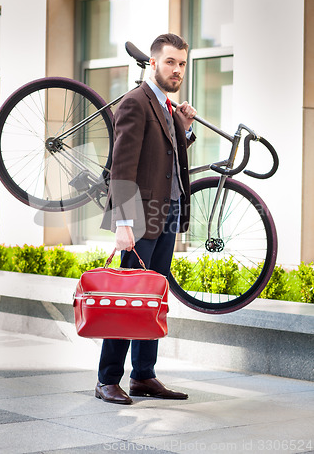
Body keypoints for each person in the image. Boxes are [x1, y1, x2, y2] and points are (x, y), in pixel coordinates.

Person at [96, 33, 197, 405]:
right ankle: (107, 379)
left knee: (153, 299)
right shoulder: (136, 102)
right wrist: (123, 224)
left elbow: (165, 160)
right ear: (153, 63)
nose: (177, 70)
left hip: (166, 215)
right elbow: (122, 166)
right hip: (139, 219)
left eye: (182, 64)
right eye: (170, 62)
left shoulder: (168, 108)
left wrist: (184, 128)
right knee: (127, 299)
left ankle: (143, 376)